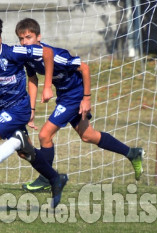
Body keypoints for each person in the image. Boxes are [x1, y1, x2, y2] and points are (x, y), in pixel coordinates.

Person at [15, 18, 144, 192]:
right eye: (21, 39)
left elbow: (85, 69)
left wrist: (87, 98)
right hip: (65, 96)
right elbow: (32, 79)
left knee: (45, 135)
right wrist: (31, 109)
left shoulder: (57, 55)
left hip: (74, 97)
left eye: (28, 37)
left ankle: (46, 178)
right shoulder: (28, 58)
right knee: (88, 135)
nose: (24, 42)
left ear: (39, 37)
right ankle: (132, 153)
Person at [0, 14, 69, 211]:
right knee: (27, 153)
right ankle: (55, 178)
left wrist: (48, 85)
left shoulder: (13, 52)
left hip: (17, 109)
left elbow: (48, 53)